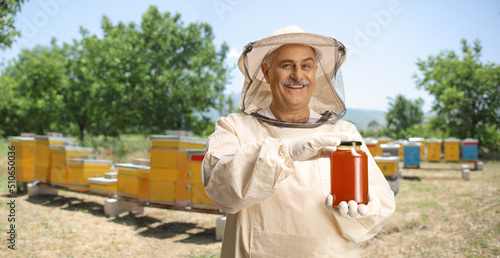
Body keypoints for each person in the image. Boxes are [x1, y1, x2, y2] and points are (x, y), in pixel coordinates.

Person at [202, 25, 396, 257]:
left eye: (306, 66)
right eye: (286, 65)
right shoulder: (234, 127)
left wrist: (365, 208)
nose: (297, 75)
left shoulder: (345, 133)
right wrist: (287, 151)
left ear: (315, 72)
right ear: (266, 71)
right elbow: (220, 191)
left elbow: (381, 200)